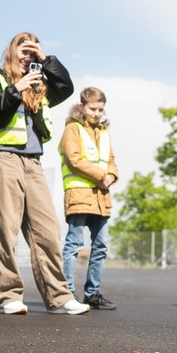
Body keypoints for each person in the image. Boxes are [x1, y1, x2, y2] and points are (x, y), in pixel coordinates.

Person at [0, 32, 88, 316]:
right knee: (5, 230)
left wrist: (45, 59)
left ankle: (59, 297)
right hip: (4, 158)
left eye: (32, 51)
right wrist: (17, 87)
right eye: (23, 50)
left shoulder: (40, 85)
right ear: (11, 52)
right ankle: (8, 295)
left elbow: (65, 86)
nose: (27, 56)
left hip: (33, 162)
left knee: (48, 231)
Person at [59, 87, 119, 310]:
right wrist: (102, 176)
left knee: (101, 246)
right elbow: (74, 160)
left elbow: (111, 160)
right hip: (79, 195)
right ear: (82, 107)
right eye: (93, 109)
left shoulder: (104, 133)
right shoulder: (72, 129)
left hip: (101, 197)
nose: (97, 113)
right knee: (74, 244)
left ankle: (92, 294)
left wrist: (111, 175)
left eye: (101, 109)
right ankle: (67, 292)